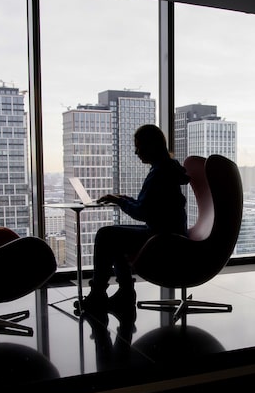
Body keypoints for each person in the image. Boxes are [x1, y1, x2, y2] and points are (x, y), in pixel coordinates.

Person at [77, 124, 190, 317]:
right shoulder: (166, 168)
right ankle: (124, 293)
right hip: (167, 232)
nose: (136, 152)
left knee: (106, 235)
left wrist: (120, 201)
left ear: (151, 146)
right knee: (113, 236)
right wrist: (121, 198)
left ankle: (101, 293)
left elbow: (141, 212)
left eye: (139, 147)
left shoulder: (159, 173)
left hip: (163, 238)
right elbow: (148, 205)